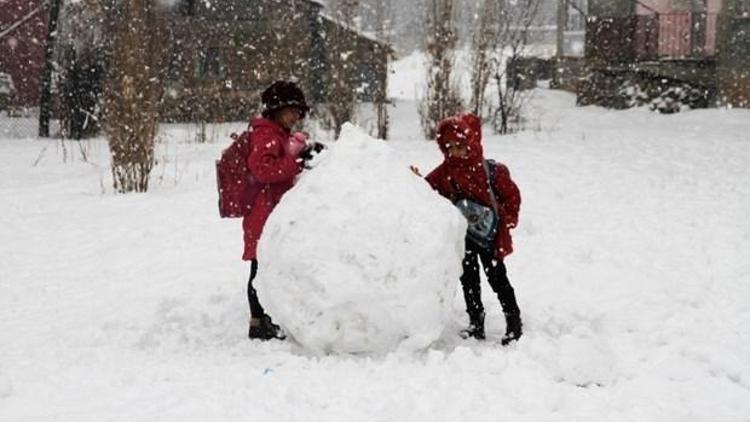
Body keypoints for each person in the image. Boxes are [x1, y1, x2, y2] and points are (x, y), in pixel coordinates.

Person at [413, 113, 523, 345]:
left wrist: (508, 220)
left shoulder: (492, 171)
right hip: (464, 238)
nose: (455, 152)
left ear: (472, 142)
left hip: (490, 236)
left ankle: (514, 322)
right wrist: (414, 180)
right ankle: (476, 322)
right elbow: (426, 191)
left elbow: (512, 196)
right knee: (468, 279)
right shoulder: (445, 171)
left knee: (497, 278)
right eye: (449, 147)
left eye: (460, 146)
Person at [243, 80, 323, 340]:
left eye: (298, 112)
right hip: (263, 214)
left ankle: (267, 317)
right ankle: (258, 322)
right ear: (275, 110)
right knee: (260, 268)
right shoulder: (266, 134)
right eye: (291, 111)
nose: (295, 117)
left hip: (272, 212)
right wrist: (295, 162)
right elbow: (263, 170)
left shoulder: (277, 134)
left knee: (269, 266)